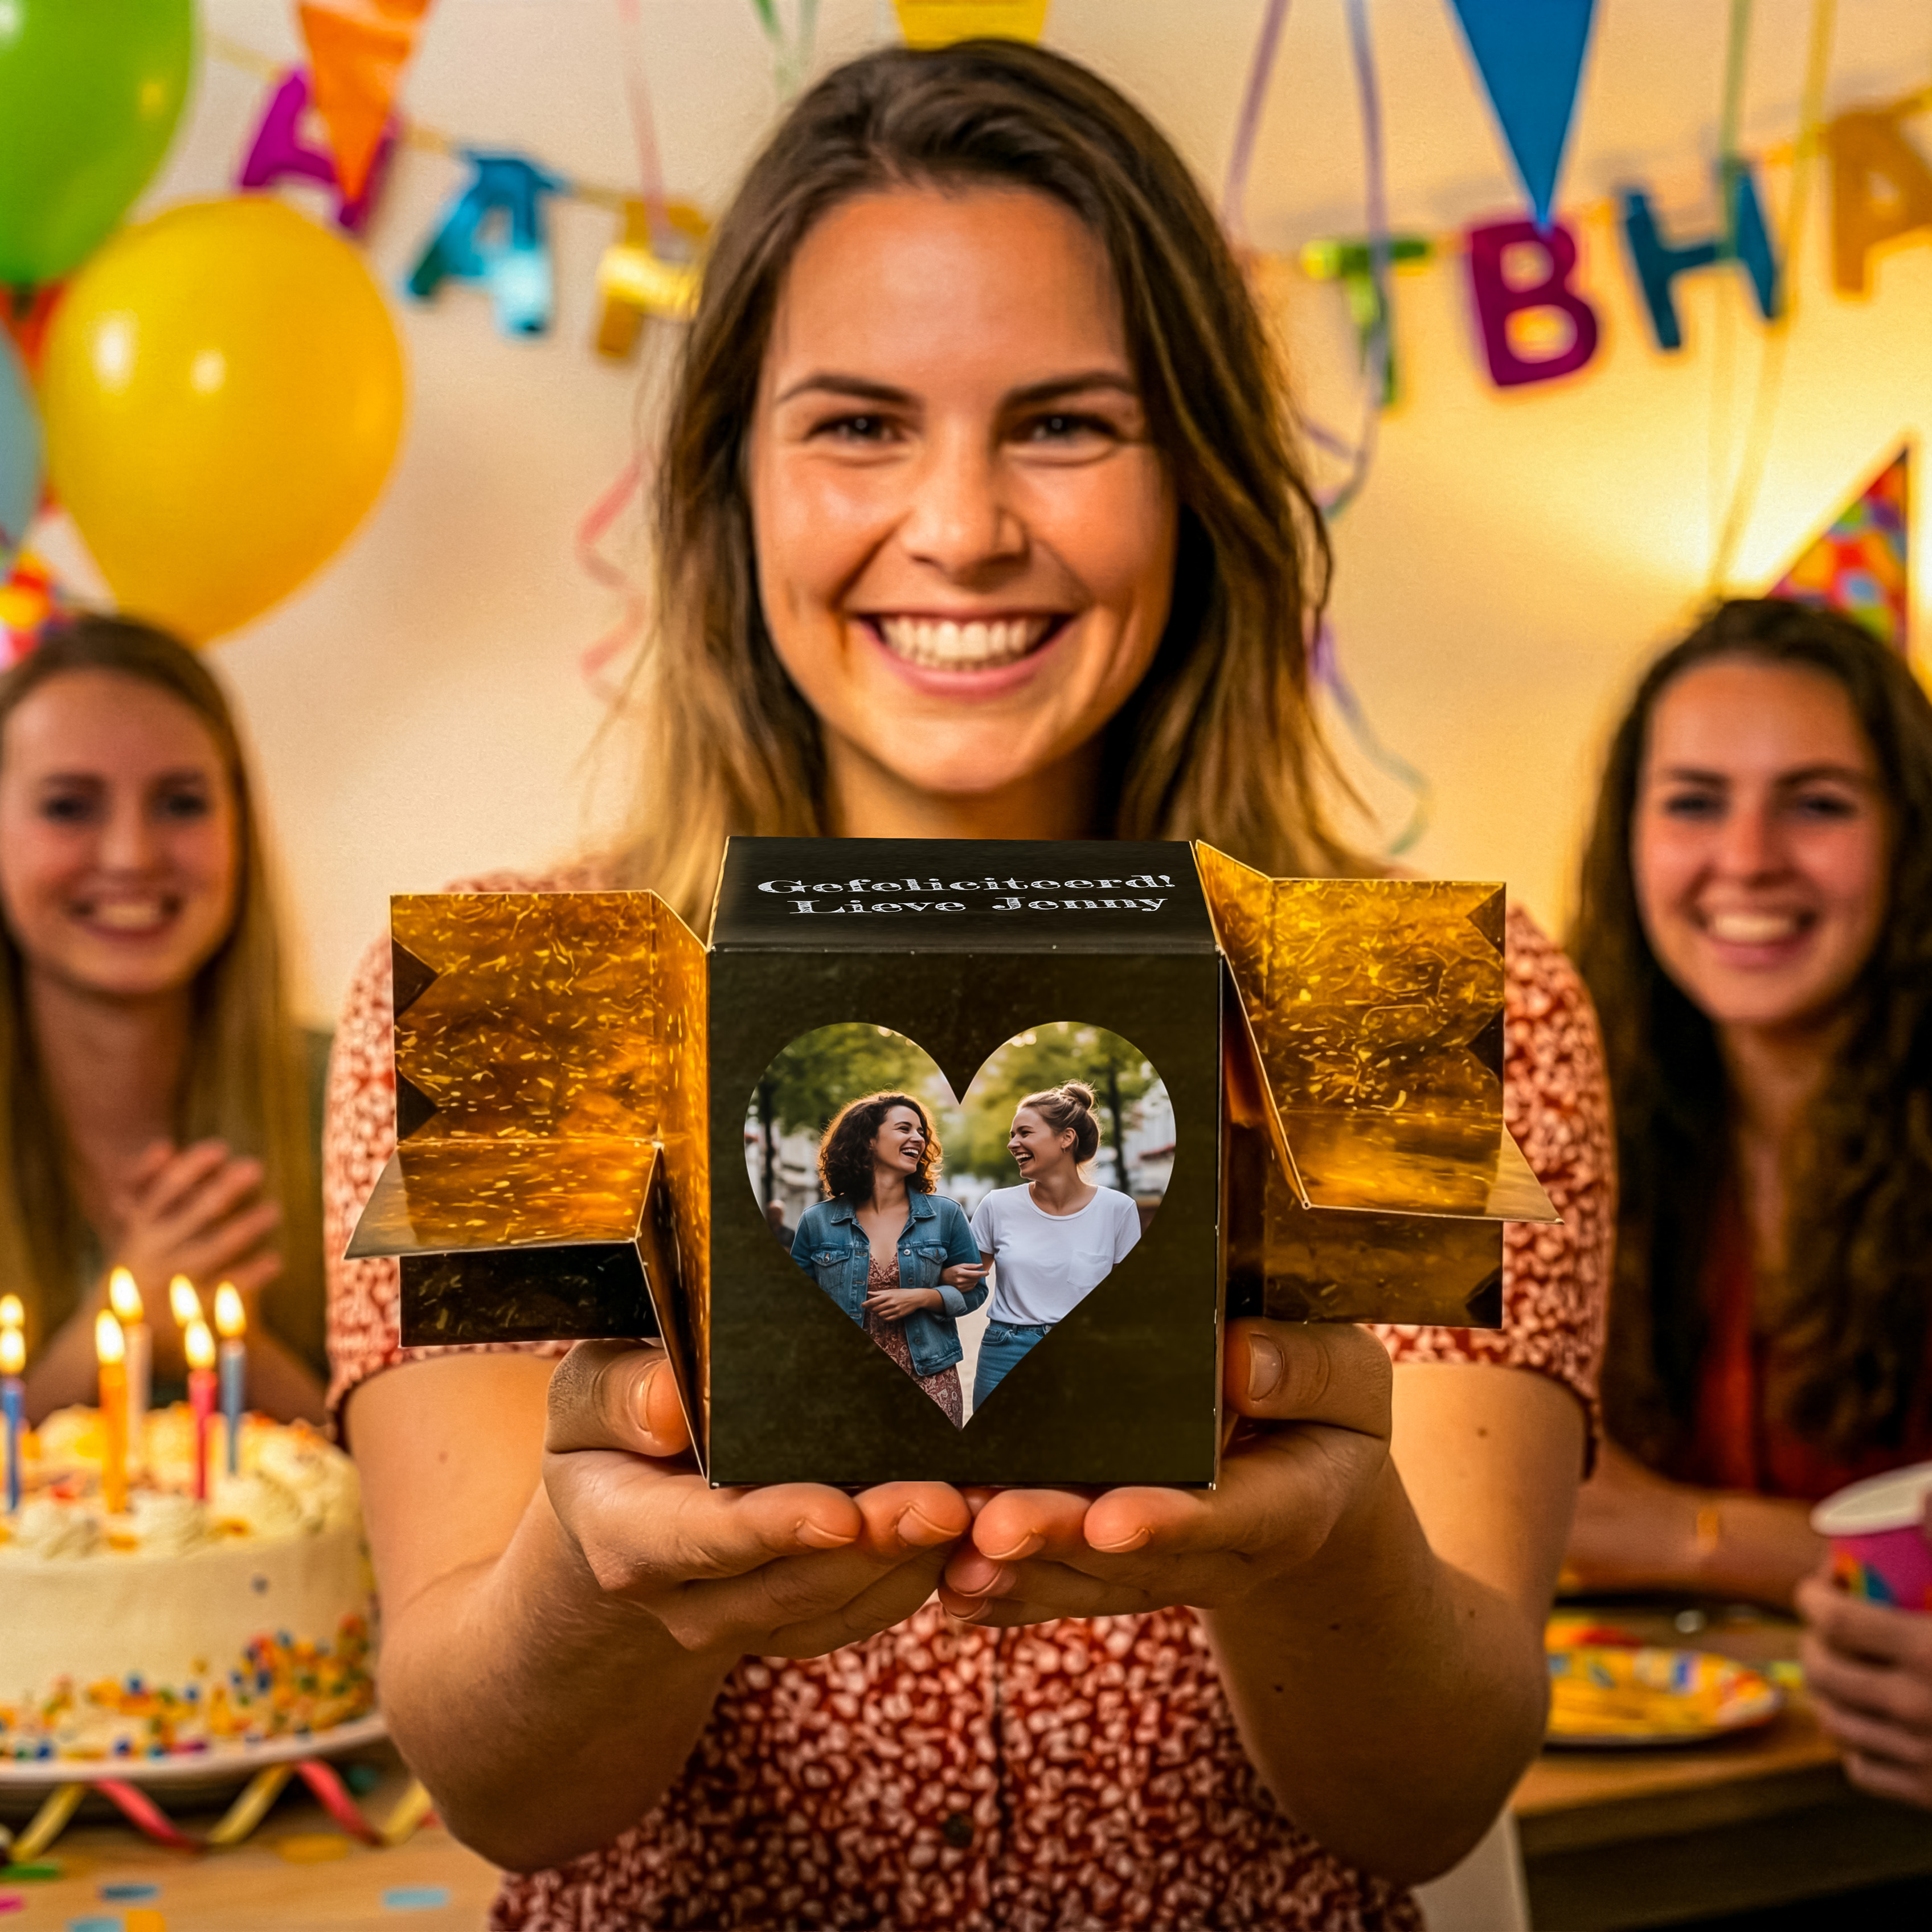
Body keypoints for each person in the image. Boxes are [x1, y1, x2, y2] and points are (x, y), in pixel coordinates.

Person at [327, 41, 1611, 1926]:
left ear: (1198, 476)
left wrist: (1322, 1555)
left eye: (1066, 423)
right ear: (729, 485)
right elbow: (499, 1783)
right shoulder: (534, 1005)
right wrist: (592, 1585)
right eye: (857, 424)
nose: (961, 526)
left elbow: (1425, 1800)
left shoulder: (1401, 1004)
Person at [1563, 597, 1932, 1806]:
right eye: (1694, 800)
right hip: (1668, 1814)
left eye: (1818, 802)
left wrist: (1677, 1530)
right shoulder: (1573, 1116)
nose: (1749, 857)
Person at [0, 614, 325, 1423]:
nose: (130, 855)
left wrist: (222, 1339)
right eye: (70, 807)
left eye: (180, 803)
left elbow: (448, 1502)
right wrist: (117, 1327)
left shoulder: (368, 1094)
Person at [790, 1091, 987, 1422]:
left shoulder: (946, 1215)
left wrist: (927, 1296)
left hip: (930, 1375)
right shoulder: (817, 1221)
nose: (918, 1138)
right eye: (904, 1128)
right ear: (868, 1140)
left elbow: (977, 1290)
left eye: (921, 1131)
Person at [969, 1081, 1140, 1406]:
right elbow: (965, 1280)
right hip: (1005, 1352)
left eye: (1024, 1133)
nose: (1013, 1144)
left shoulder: (1118, 1210)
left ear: (1066, 1138)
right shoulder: (996, 1205)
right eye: (1012, 1135)